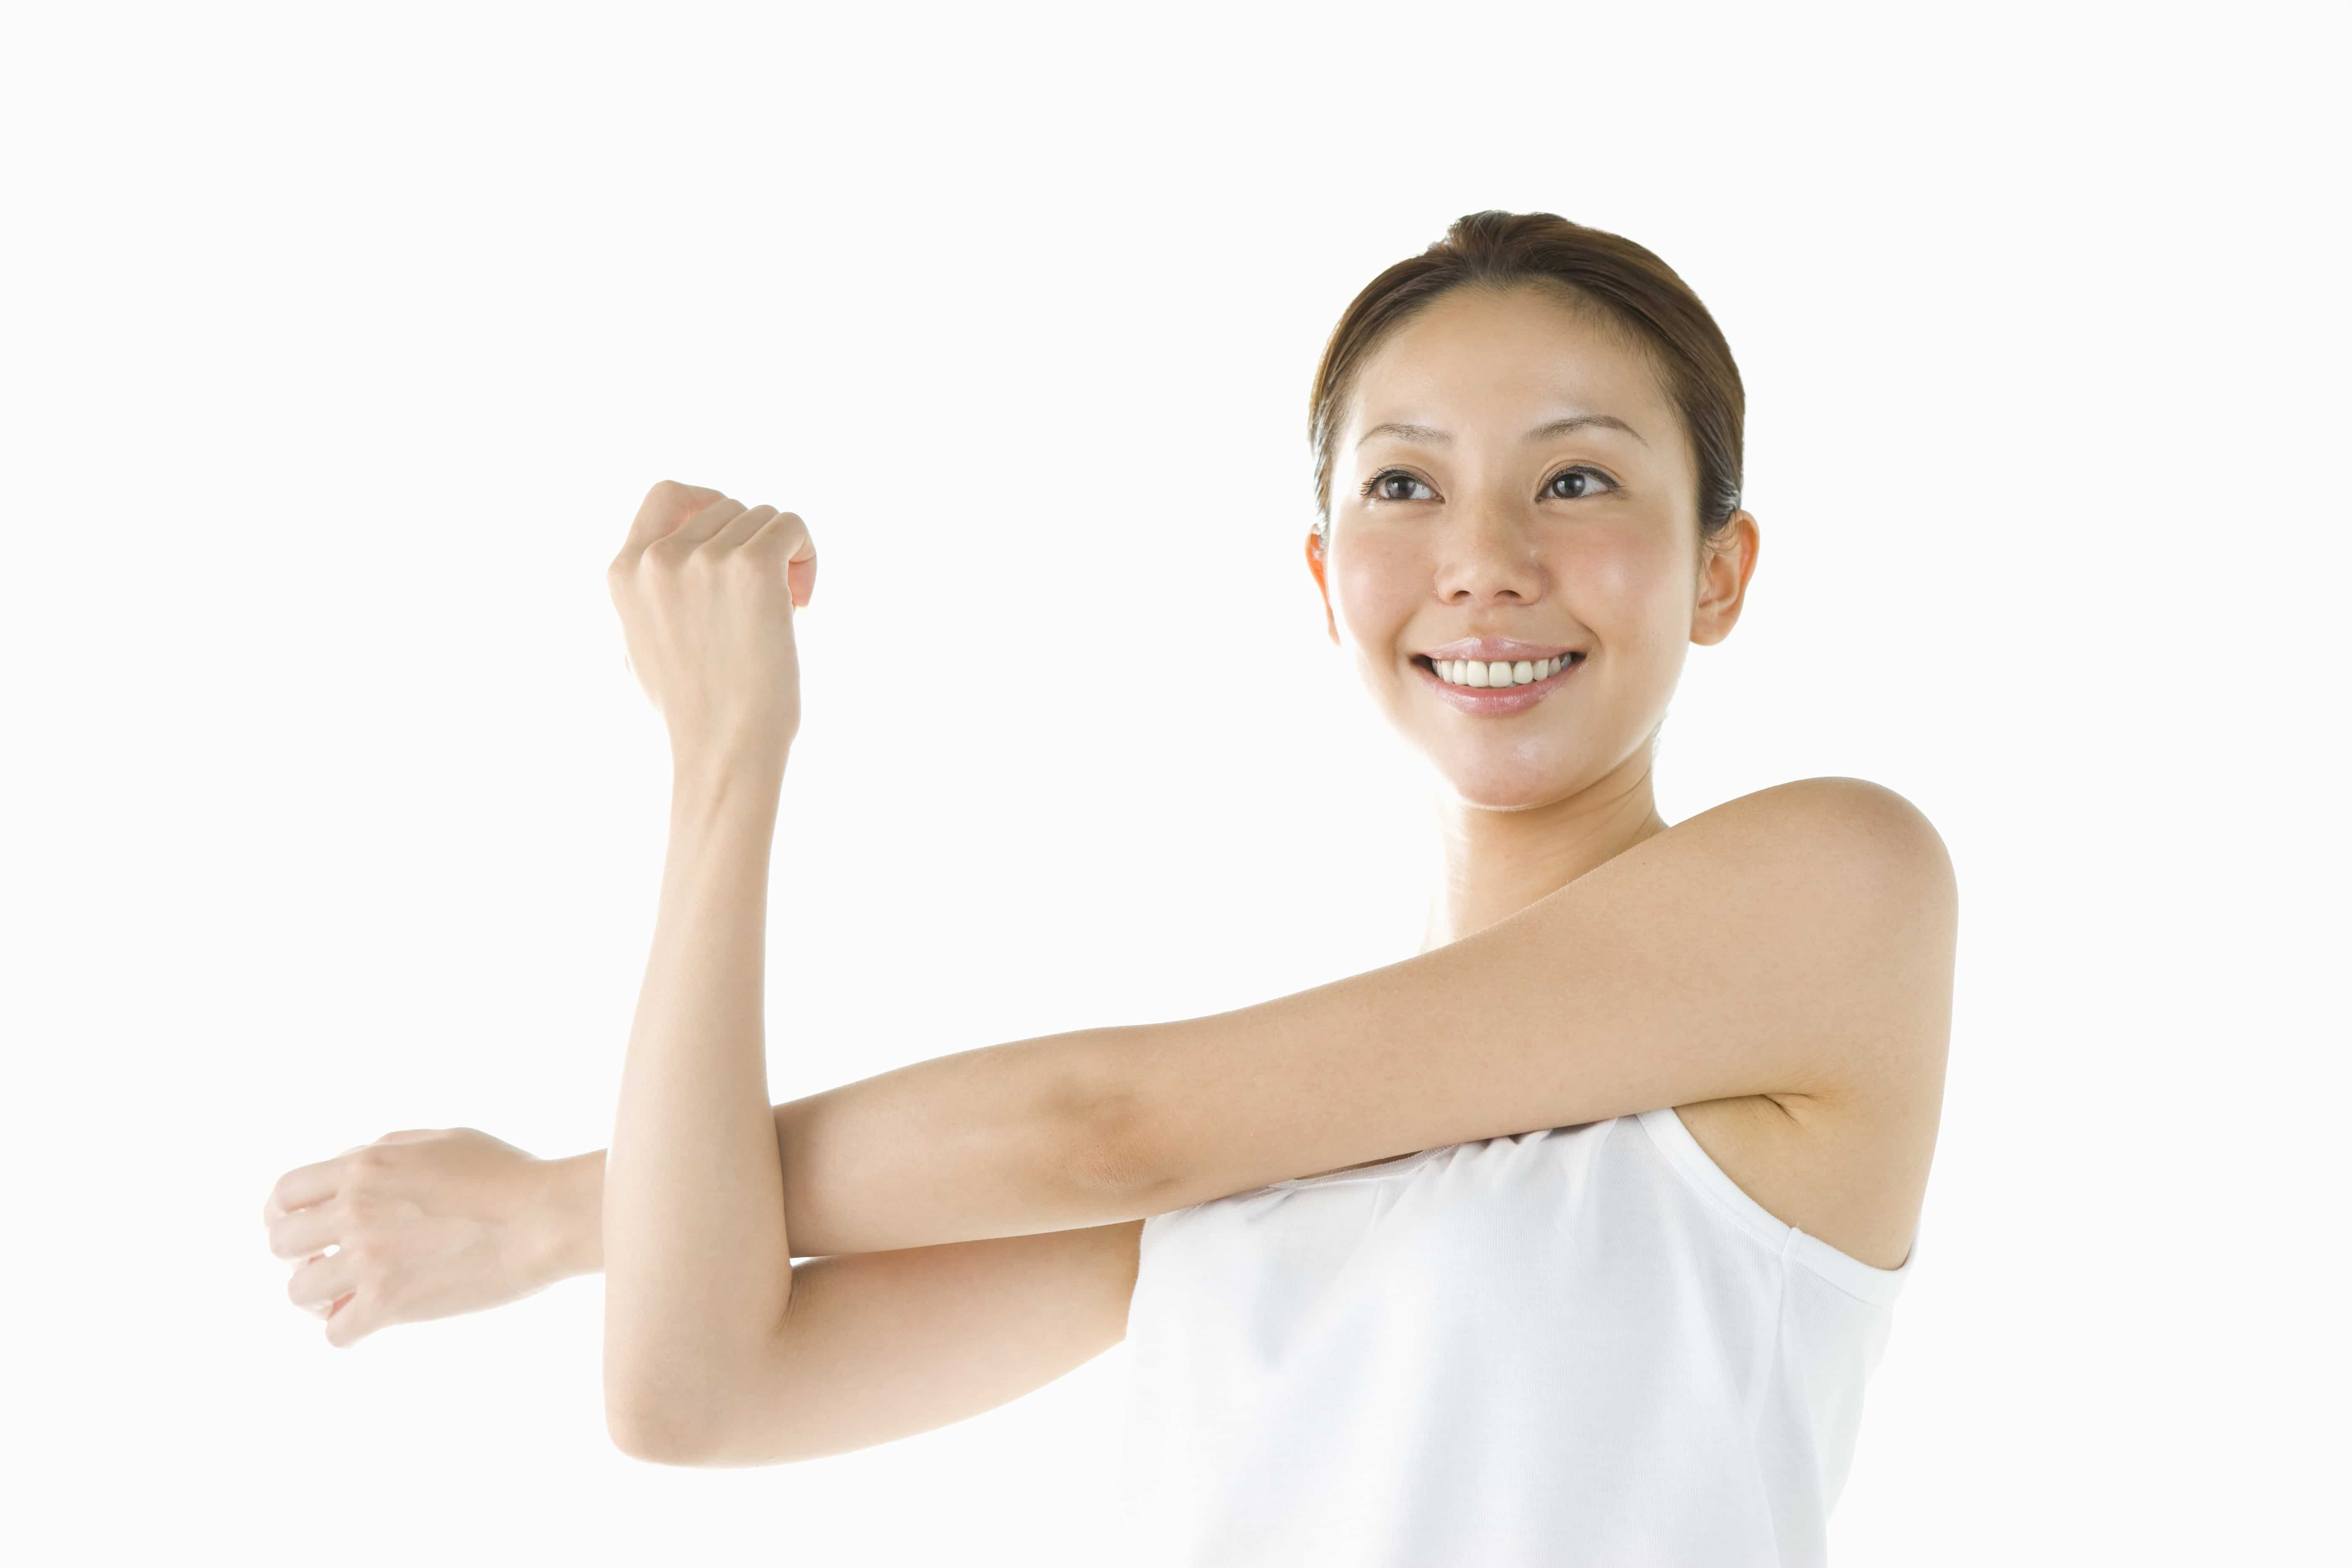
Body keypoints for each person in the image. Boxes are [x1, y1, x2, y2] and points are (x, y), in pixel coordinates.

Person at [261, 210, 1955, 1565]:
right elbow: (700, 1384)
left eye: (1577, 479)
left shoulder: (1841, 893)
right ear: (1324, 575)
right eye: (1403, 484)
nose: (1485, 557)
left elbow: (1110, 1123)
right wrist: (727, 758)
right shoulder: (1260, 1177)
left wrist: (559, 1210)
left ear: (1721, 569)